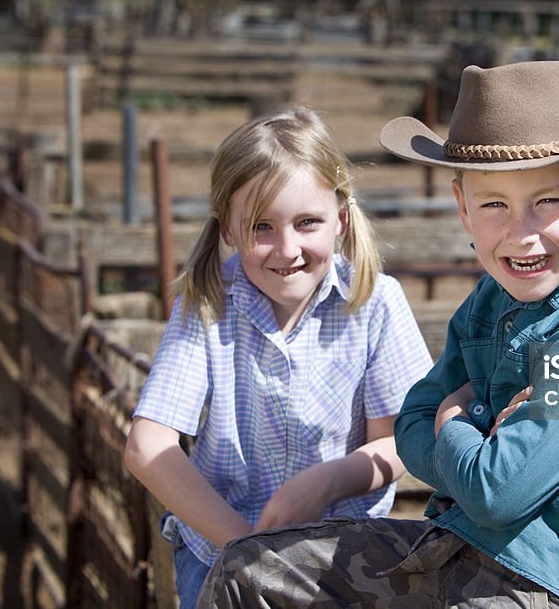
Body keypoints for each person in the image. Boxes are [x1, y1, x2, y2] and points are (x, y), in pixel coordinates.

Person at [198, 61, 559, 608]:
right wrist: (481, 442)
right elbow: (412, 431)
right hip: (459, 553)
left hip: (554, 587)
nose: (521, 233)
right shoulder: (490, 300)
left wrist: (457, 421)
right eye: (494, 205)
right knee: (247, 570)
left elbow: (497, 492)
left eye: (549, 201)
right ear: (463, 207)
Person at [123, 107, 433, 609]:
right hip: (221, 552)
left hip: (342, 559)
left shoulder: (375, 301)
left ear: (341, 219)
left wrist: (329, 481)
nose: (287, 249)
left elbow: (399, 439)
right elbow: (147, 446)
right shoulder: (208, 303)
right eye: (261, 227)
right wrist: (247, 545)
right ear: (227, 230)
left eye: (307, 222)